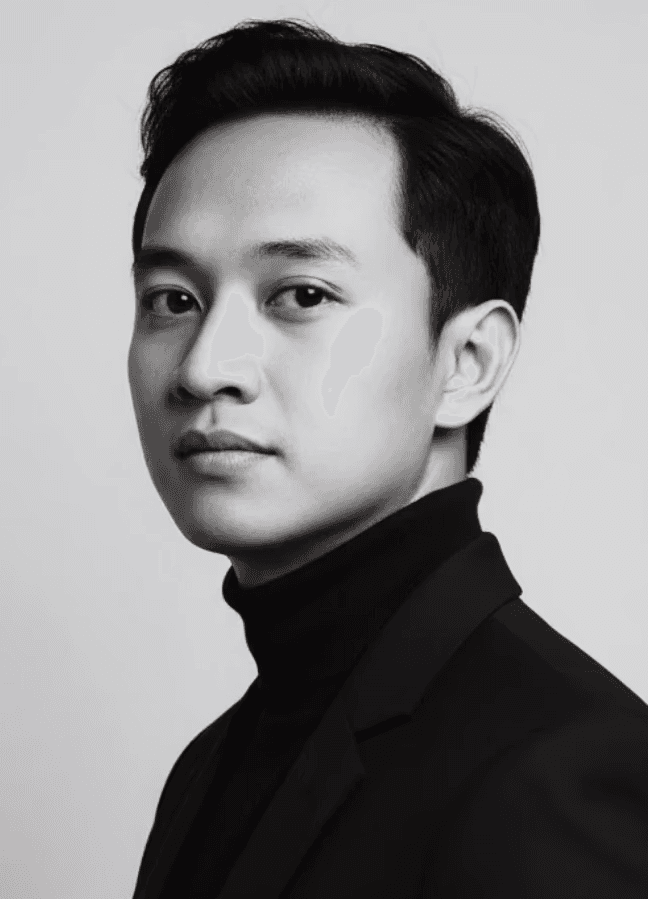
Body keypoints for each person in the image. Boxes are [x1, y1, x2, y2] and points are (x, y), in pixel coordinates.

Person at [127, 18, 648, 898]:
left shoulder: (557, 769)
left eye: (301, 294)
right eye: (173, 299)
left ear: (467, 362)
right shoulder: (209, 768)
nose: (205, 367)